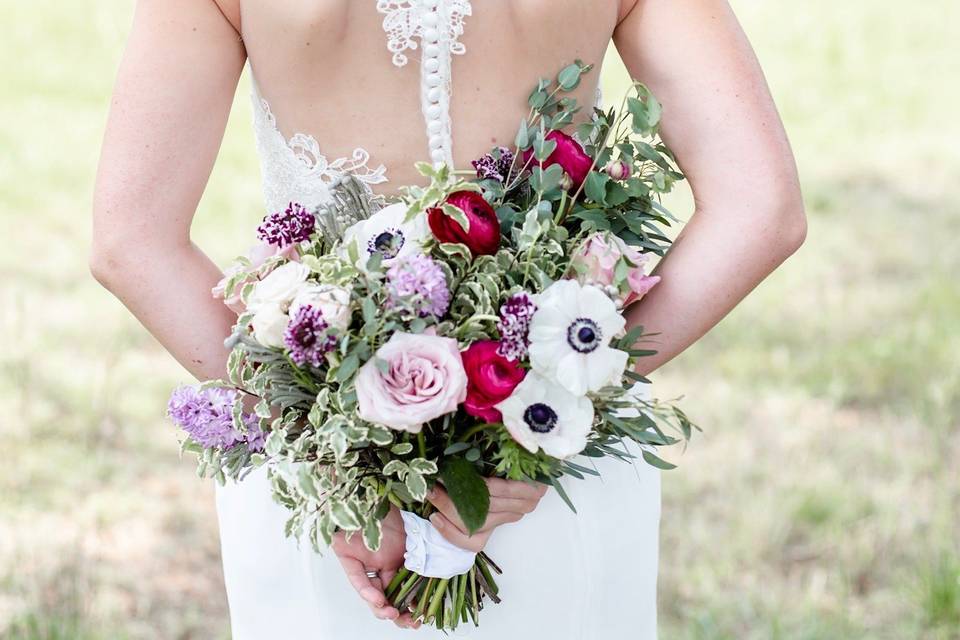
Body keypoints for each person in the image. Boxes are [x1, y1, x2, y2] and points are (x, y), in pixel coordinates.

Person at [90, 1, 806, 637]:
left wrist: (332, 457)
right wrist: (552, 403)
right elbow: (760, 209)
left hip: (339, 508)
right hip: (546, 469)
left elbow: (132, 243)